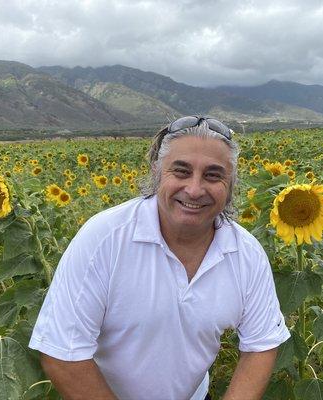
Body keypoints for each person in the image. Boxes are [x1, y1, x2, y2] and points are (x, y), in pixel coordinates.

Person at [28, 116, 290, 400]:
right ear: (157, 173)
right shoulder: (105, 238)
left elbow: (260, 345)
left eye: (213, 175)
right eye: (181, 171)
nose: (194, 189)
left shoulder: (246, 254)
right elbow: (63, 352)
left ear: (231, 184)